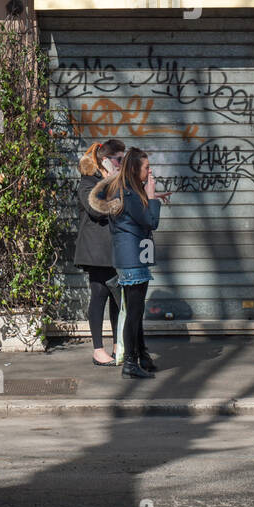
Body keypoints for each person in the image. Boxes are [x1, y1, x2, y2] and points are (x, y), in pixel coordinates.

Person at [89, 147, 168, 379]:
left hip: (133, 256)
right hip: (132, 258)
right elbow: (151, 222)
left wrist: (149, 196)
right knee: (133, 313)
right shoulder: (129, 194)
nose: (149, 170)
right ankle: (131, 363)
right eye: (146, 167)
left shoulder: (128, 191)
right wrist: (152, 197)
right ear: (134, 169)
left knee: (136, 310)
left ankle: (141, 355)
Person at [74, 139, 125, 366]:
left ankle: (117, 345)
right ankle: (97, 349)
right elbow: (96, 210)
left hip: (116, 248)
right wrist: (111, 181)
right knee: (99, 295)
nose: (122, 163)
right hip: (96, 250)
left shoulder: (118, 181)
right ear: (105, 160)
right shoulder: (88, 182)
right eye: (118, 159)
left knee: (118, 299)